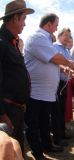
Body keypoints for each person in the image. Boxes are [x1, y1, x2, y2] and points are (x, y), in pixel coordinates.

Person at [24, 13, 74, 160]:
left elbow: (51, 61)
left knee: (44, 122)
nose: (56, 29)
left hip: (47, 92)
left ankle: (47, 146)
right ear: (48, 24)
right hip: (35, 92)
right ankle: (37, 153)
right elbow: (55, 57)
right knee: (33, 124)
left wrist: (63, 69)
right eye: (56, 26)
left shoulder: (47, 40)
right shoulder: (37, 38)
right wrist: (71, 64)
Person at [0, 0, 34, 157]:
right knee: (9, 153)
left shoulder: (13, 42)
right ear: (15, 18)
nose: (25, 25)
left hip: (17, 108)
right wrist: (2, 115)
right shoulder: (1, 43)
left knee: (19, 149)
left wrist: (22, 101)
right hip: (7, 112)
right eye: (24, 19)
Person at [51, 28, 74, 147]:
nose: (68, 38)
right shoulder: (54, 47)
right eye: (66, 36)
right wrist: (66, 68)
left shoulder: (66, 49)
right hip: (57, 83)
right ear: (59, 36)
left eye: (69, 37)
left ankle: (62, 133)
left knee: (62, 110)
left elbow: (68, 64)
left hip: (64, 84)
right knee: (56, 111)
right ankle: (57, 138)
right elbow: (55, 62)